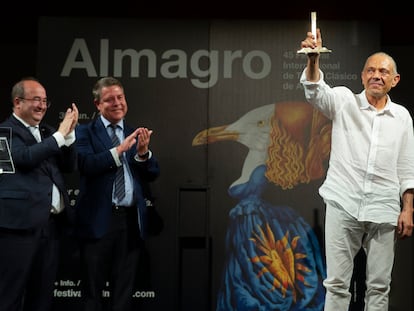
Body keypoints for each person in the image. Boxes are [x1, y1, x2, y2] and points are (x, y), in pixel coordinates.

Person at [299, 29, 414, 311]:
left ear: (395, 80)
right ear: (362, 76)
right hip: (343, 202)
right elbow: (315, 92)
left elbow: (406, 166)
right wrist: (313, 59)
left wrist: (408, 208)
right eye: (371, 70)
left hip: (384, 207)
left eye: (384, 72)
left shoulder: (402, 117)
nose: (377, 75)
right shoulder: (343, 100)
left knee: (378, 287)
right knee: (337, 284)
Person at [74, 76, 160, 311]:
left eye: (120, 97)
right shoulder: (84, 132)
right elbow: (86, 164)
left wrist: (143, 154)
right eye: (109, 99)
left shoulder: (135, 131)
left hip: (130, 222)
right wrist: (119, 150)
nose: (117, 103)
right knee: (92, 292)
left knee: (124, 293)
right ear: (97, 105)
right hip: (97, 222)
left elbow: (152, 173)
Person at [0, 77, 79, 311]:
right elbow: (24, 158)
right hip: (18, 230)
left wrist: (70, 134)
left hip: (50, 228)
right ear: (17, 102)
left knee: (42, 297)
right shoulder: (4, 132)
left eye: (45, 101)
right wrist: (60, 134)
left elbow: (69, 165)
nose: (42, 106)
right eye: (36, 100)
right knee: (10, 296)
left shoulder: (46, 132)